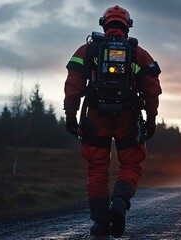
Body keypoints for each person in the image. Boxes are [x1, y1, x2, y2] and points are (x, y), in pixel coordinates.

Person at [63, 5, 161, 238]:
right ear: (128, 26)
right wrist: (151, 119)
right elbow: (152, 90)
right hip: (127, 116)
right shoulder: (139, 54)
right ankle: (119, 202)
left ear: (103, 24)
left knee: (97, 169)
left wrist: (70, 115)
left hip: (96, 116)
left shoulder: (87, 51)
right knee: (131, 165)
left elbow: (72, 86)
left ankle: (100, 223)